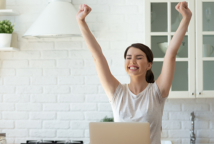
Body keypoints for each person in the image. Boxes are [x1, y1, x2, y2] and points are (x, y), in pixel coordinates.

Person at [76, 2, 192, 144]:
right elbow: (97, 56)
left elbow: (171, 54)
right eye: (128, 58)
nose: (132, 62)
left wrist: (185, 19)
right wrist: (81, 21)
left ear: (149, 64)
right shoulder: (117, 93)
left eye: (139, 58)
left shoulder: (157, 92)